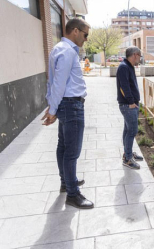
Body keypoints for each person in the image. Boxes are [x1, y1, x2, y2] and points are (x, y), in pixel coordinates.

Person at [42, 18, 93, 209]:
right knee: (72, 152)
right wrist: (52, 110)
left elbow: (52, 82)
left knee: (63, 147)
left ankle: (66, 182)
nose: (86, 39)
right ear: (75, 31)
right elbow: (59, 83)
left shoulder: (59, 49)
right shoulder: (66, 51)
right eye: (85, 34)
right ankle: (73, 194)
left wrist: (52, 106)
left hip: (66, 105)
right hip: (71, 106)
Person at [117, 46, 144, 169]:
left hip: (130, 104)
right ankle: (128, 159)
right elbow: (124, 87)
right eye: (139, 56)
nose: (140, 58)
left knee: (127, 130)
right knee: (132, 130)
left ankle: (127, 153)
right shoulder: (124, 67)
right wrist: (131, 102)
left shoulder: (128, 66)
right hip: (128, 105)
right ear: (134, 55)